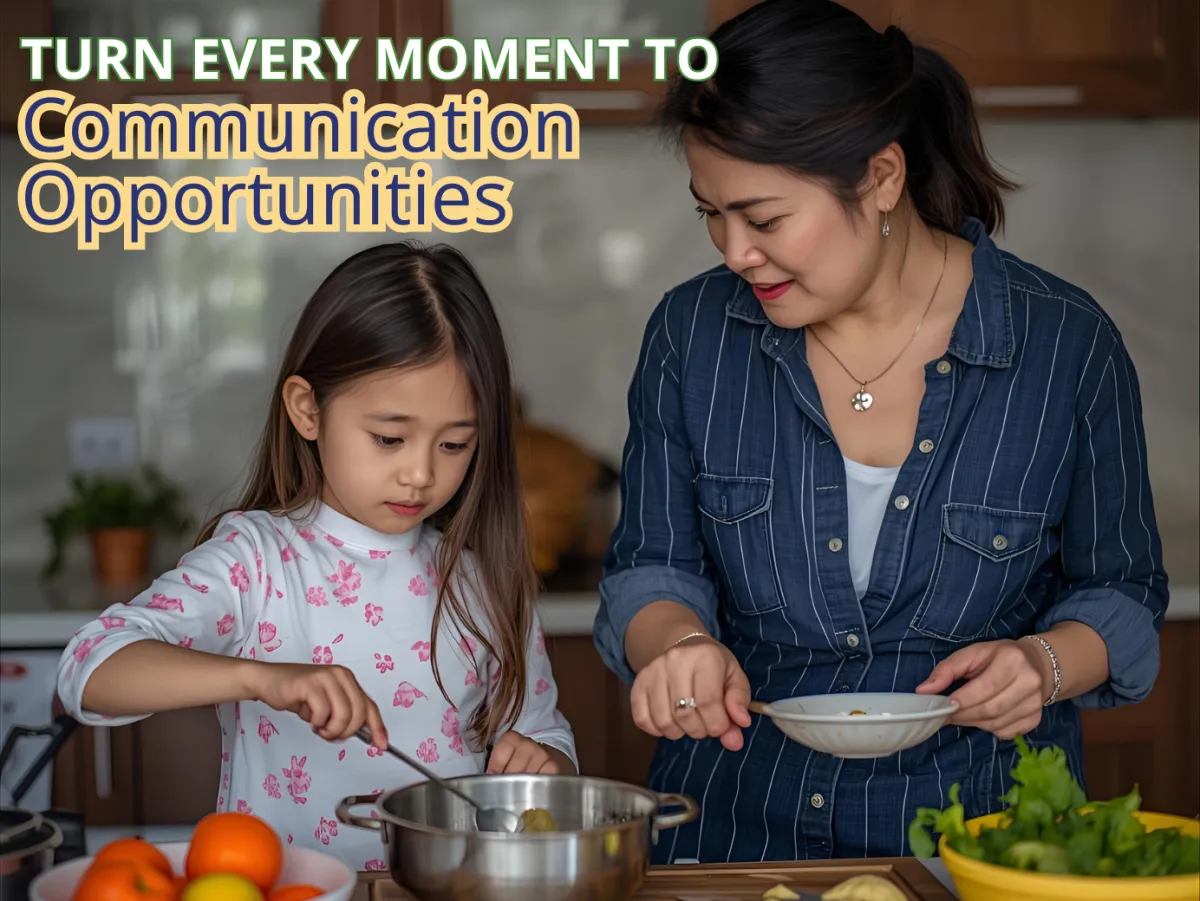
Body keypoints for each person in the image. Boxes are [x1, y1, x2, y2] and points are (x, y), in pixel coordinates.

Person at [593, 0, 1167, 864]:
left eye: (765, 218)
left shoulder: (1064, 344)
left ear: (883, 177)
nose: (734, 251)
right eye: (710, 213)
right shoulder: (693, 335)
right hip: (732, 836)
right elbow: (652, 565)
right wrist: (678, 645)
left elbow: (1123, 592)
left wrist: (1046, 665)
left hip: (986, 842)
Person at [58, 242, 577, 868]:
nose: (420, 473)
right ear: (308, 410)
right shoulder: (257, 562)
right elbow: (90, 669)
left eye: (454, 444)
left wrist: (546, 760)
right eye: (389, 437)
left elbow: (544, 732)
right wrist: (262, 678)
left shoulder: (484, 580)